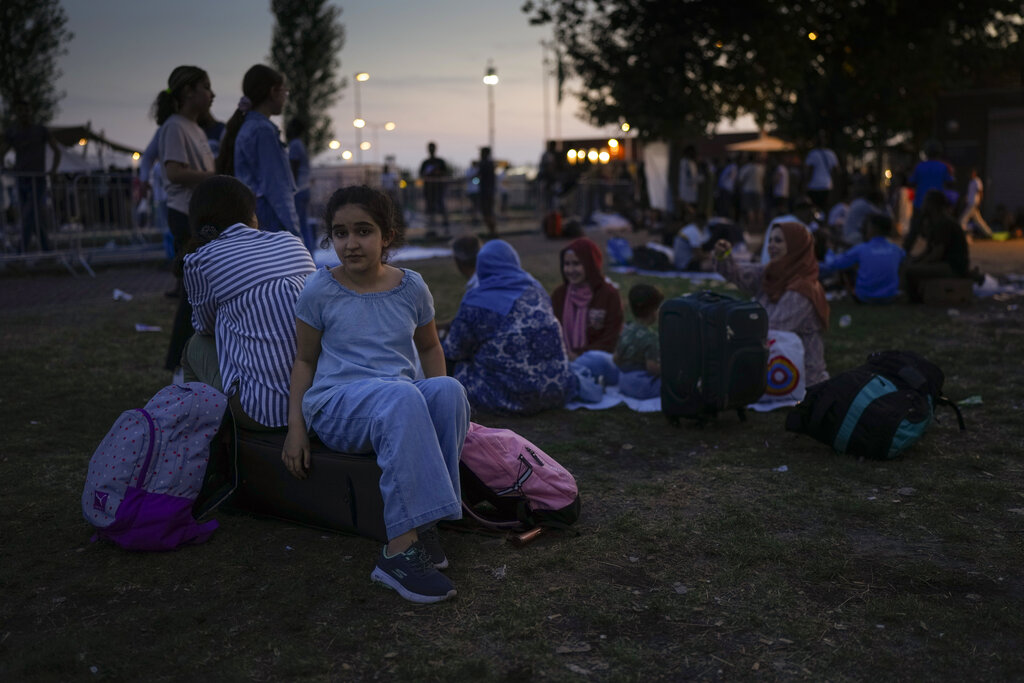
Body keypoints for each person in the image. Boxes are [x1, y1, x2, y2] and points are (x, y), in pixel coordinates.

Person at [282, 185, 468, 604]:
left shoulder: (412, 287)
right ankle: (398, 556)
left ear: (387, 235)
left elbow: (430, 348)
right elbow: (304, 362)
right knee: (402, 397)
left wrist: (435, 392)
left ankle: (427, 523)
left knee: (449, 391)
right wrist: (296, 428)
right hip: (338, 404)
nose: (350, 243)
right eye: (340, 233)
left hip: (395, 400)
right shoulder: (319, 290)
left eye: (363, 231)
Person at [180, 175, 315, 429]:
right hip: (317, 400)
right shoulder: (292, 242)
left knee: (193, 347)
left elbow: (204, 327)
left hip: (265, 412)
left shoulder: (202, 260)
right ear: (251, 214)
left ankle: (197, 437)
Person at [443, 240, 576, 415]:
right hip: (556, 390)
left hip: (510, 397)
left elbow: (453, 351)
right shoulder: (536, 289)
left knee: (452, 372)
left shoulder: (476, 301)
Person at [154, 65, 217, 373]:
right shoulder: (175, 126)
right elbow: (174, 171)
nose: (212, 94)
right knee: (192, 293)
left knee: (196, 291)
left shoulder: (194, 127)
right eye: (206, 87)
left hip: (197, 214)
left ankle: (185, 363)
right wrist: (214, 178)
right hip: (184, 215)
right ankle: (179, 365)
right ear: (188, 91)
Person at [713, 222, 830, 385]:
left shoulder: (803, 290)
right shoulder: (773, 273)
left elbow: (772, 327)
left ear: (796, 246)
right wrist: (723, 256)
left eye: (779, 241)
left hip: (796, 375)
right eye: (770, 240)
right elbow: (739, 274)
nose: (771, 246)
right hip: (772, 361)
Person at [217, 64, 299, 236]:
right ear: (273, 91)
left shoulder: (247, 126)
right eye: (285, 91)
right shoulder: (263, 131)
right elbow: (277, 187)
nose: (286, 96)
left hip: (255, 217)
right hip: (271, 221)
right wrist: (295, 233)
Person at [1, 99, 62, 252]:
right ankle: (48, 251)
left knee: (30, 213)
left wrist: (53, 170)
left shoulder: (41, 130)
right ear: (17, 113)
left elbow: (57, 150)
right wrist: (5, 167)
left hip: (38, 179)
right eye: (20, 111)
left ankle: (21, 251)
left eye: (26, 110)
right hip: (22, 178)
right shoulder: (13, 132)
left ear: (31, 112)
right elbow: (2, 150)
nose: (24, 114)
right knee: (32, 217)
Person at [550, 236, 624, 361]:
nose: (570, 270)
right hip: (563, 359)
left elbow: (611, 337)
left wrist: (580, 355)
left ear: (590, 264)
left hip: (598, 361)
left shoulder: (608, 294)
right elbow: (552, 332)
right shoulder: (560, 295)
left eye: (576, 264)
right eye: (567, 264)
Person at [904, 189, 972, 303]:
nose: (923, 205)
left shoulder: (943, 223)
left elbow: (936, 254)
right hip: (946, 264)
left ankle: (915, 300)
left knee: (910, 271)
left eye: (926, 202)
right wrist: (915, 259)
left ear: (932, 205)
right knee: (910, 263)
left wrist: (918, 263)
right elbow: (929, 251)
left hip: (953, 267)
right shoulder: (937, 222)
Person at [820, 213, 905, 304]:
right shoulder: (897, 250)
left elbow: (834, 264)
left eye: (867, 226)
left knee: (849, 266)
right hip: (890, 297)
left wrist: (830, 250)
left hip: (864, 297)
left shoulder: (862, 249)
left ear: (874, 228)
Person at [613, 284, 664, 400]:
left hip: (623, 381)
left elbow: (615, 358)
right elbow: (652, 368)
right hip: (641, 386)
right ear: (654, 311)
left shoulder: (626, 329)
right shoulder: (650, 337)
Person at [904, 139, 955, 254]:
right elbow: (950, 182)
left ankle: (904, 254)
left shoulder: (919, 167)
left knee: (914, 231)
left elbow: (911, 182)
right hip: (937, 205)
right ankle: (936, 253)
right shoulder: (943, 167)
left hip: (920, 203)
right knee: (937, 231)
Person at [286, 117, 314, 251]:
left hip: (299, 190)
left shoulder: (295, 145)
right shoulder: (301, 144)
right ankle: (309, 253)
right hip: (305, 189)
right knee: (304, 224)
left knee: (299, 226)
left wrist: (290, 189)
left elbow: (293, 169)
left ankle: (304, 253)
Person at [803, 131, 840, 211]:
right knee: (825, 209)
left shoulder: (812, 154)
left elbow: (809, 171)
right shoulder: (831, 154)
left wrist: (805, 184)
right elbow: (836, 172)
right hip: (827, 186)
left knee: (815, 209)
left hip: (814, 186)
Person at [419, 141, 450, 234]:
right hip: (429, 189)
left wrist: (438, 173)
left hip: (439, 189)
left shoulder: (440, 162)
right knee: (430, 209)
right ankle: (431, 229)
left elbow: (446, 173)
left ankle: (446, 227)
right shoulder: (426, 162)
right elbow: (421, 174)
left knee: (441, 207)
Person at [959, 168, 992, 238]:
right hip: (970, 203)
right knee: (979, 221)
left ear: (974, 173)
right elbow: (970, 194)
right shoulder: (971, 182)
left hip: (973, 204)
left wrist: (980, 202)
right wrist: (965, 199)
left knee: (963, 220)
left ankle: (964, 235)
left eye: (971, 173)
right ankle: (989, 233)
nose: (969, 175)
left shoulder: (977, 181)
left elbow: (980, 192)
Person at [478, 146, 497, 237]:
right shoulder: (490, 164)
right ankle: (492, 232)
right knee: (489, 212)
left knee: (487, 212)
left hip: (485, 192)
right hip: (489, 191)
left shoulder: (484, 163)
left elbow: (478, 176)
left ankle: (492, 232)